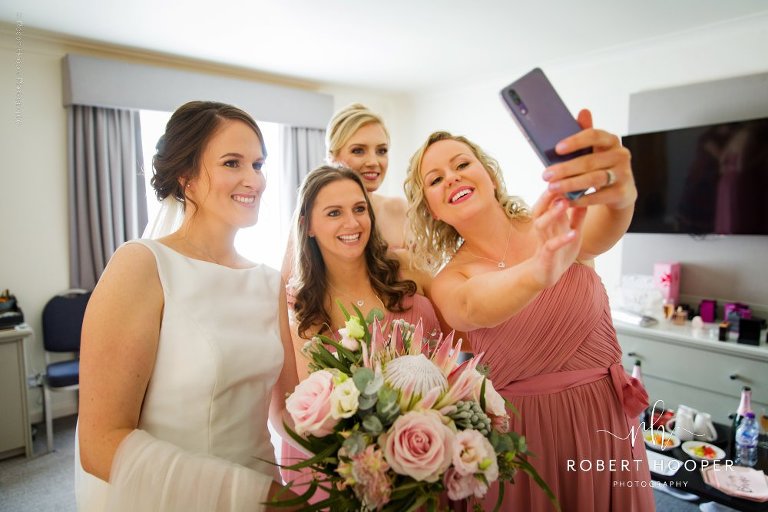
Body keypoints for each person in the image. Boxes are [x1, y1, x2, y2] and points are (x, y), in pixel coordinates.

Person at [403, 110, 655, 511]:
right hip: (525, 441)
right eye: (435, 179)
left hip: (603, 421)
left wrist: (623, 195)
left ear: (489, 175)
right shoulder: (450, 279)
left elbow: (603, 228)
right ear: (433, 209)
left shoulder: (551, 221)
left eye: (462, 164)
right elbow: (473, 307)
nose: (451, 176)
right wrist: (539, 270)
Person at [75, 101, 301, 511]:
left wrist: (366, 436)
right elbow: (99, 443)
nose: (254, 179)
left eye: (258, 163)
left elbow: (284, 411)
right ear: (186, 176)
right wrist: (253, 496)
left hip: (268, 489)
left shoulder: (269, 282)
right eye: (232, 163)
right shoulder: (143, 266)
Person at [280, 165, 443, 498]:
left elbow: (460, 344)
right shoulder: (297, 311)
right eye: (334, 213)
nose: (352, 223)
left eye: (359, 209)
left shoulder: (408, 268)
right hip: (341, 475)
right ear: (307, 225)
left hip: (428, 460)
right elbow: (294, 410)